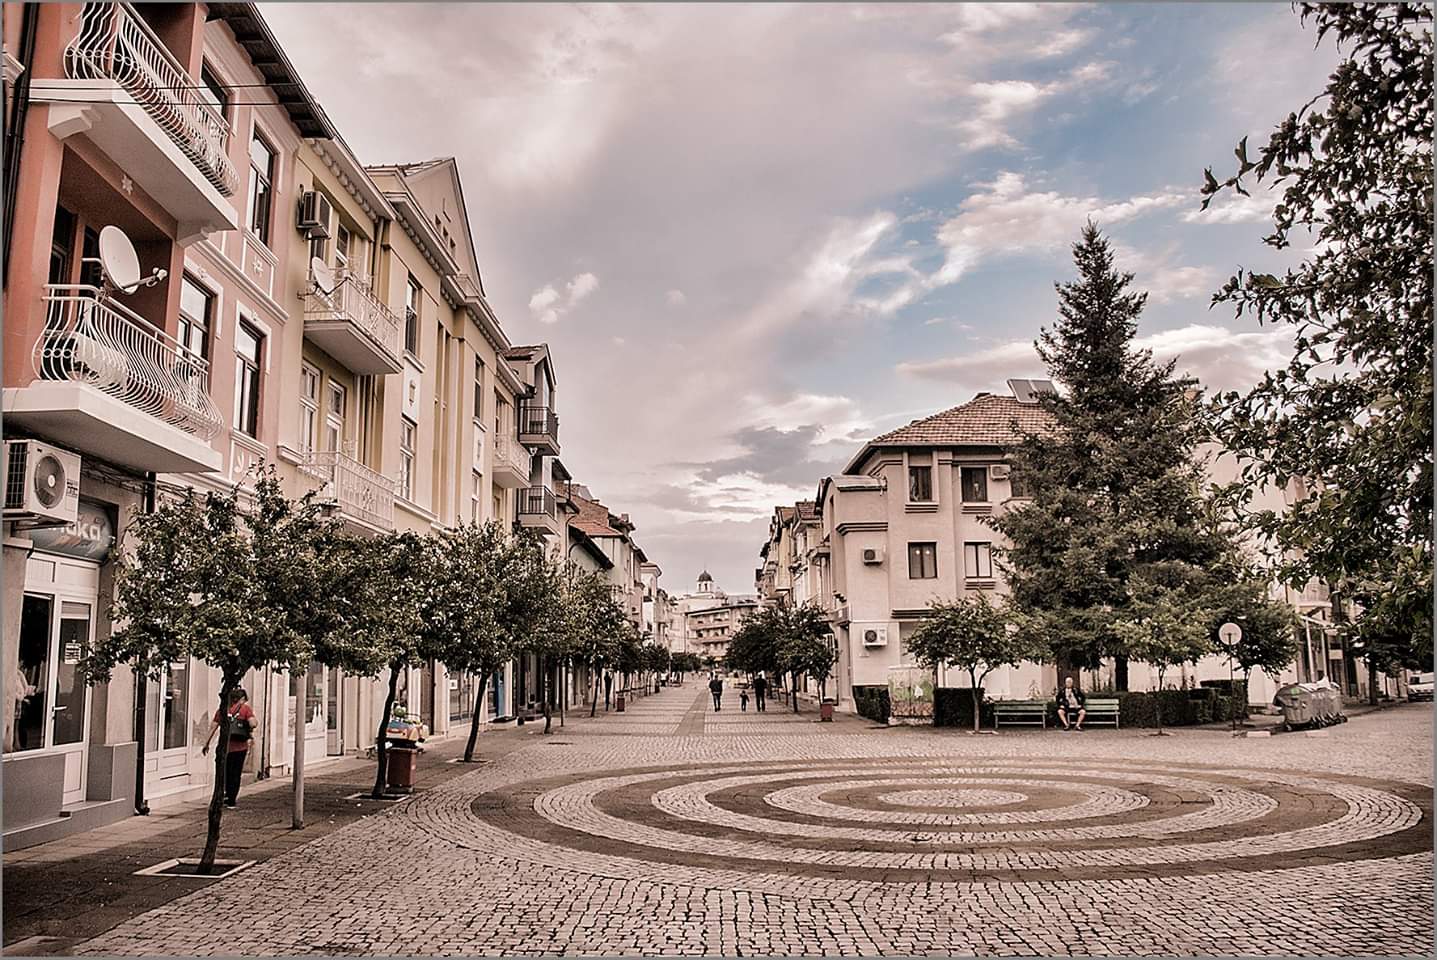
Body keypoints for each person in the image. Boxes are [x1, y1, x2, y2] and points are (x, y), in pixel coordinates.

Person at [202, 687, 256, 808]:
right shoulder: (245, 709)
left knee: (223, 772)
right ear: (241, 699)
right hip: (240, 748)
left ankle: (222, 796)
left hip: (224, 748)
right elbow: (253, 723)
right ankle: (231, 799)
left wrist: (206, 743)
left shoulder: (222, 710)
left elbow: (213, 727)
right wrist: (250, 728)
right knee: (235, 774)